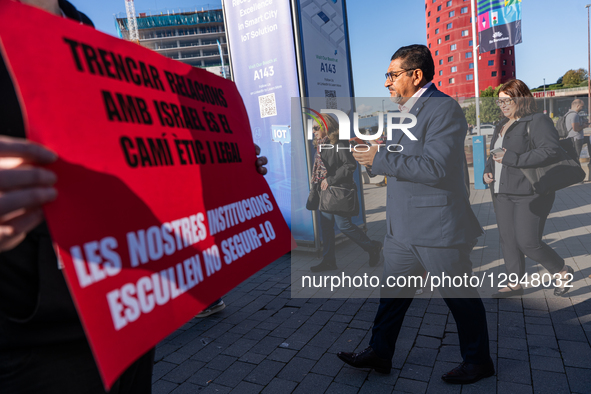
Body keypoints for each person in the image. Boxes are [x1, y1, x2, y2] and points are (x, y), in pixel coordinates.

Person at [0, 1, 268, 392]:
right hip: (32, 329)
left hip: (122, 306)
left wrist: (234, 160)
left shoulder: (81, 26)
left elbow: (127, 148)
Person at [338, 44, 493, 384]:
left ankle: (479, 361)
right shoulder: (402, 113)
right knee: (392, 297)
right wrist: (370, 156)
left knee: (460, 298)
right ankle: (380, 352)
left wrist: (379, 159)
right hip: (401, 229)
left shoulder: (443, 109)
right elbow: (394, 163)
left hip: (436, 227)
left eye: (392, 76)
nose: (386, 83)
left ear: (415, 75)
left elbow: (436, 167)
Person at [483, 79, 574, 298]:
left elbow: (550, 150)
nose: (503, 105)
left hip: (530, 191)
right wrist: (488, 170)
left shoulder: (537, 120)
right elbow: (494, 153)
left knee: (528, 242)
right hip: (501, 190)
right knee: (508, 239)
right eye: (500, 101)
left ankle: (562, 270)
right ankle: (515, 283)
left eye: (508, 101)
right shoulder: (500, 125)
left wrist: (512, 158)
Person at [309, 114, 382, 272]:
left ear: (326, 127)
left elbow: (349, 166)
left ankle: (372, 247)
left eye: (316, 128)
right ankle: (329, 261)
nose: (313, 131)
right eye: (312, 128)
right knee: (326, 227)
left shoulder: (339, 142)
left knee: (344, 225)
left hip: (338, 191)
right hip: (325, 192)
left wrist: (330, 179)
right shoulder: (321, 144)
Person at [566, 98, 591, 180]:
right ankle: (578, 178)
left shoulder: (568, 114)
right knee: (576, 158)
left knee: (574, 157)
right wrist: (584, 126)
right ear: (577, 105)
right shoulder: (575, 115)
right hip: (576, 139)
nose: (582, 108)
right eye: (582, 106)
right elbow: (575, 128)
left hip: (571, 139)